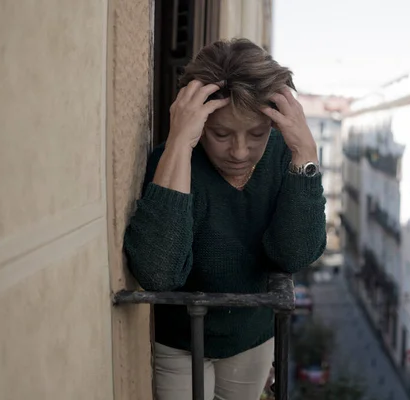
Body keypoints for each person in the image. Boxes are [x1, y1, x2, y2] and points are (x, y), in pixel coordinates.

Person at [123, 38, 326, 400]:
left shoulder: (284, 158)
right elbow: (158, 273)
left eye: (257, 134)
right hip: (179, 344)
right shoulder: (171, 163)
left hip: (253, 339)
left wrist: (305, 152)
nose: (239, 151)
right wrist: (179, 144)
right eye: (220, 133)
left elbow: (295, 254)